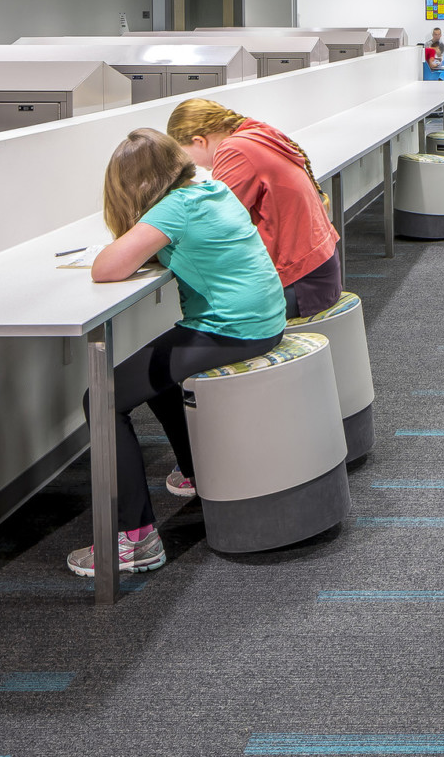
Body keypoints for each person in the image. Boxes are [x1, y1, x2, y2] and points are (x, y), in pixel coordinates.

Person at [68, 129, 285, 577]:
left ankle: (135, 540)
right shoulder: (207, 184)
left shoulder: (174, 208)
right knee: (154, 375)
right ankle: (195, 474)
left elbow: (106, 268)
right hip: (261, 318)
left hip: (231, 330)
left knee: (102, 398)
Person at [167, 98, 341, 318]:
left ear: (199, 141)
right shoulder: (254, 133)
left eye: (187, 156)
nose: (196, 166)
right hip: (319, 271)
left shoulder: (234, 150)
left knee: (206, 315)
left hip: (301, 284)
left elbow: (213, 223)